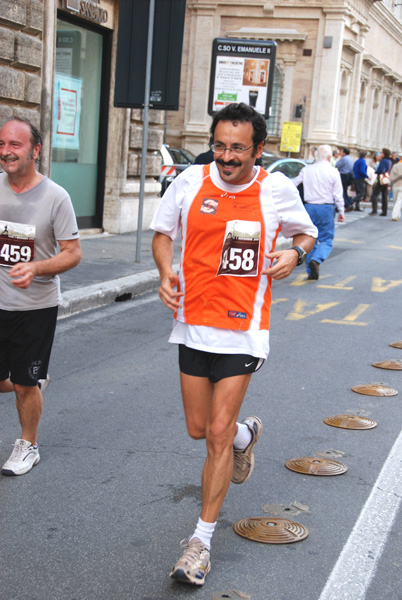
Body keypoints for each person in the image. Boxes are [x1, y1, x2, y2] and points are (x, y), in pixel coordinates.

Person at [151, 102, 317, 586]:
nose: (226, 158)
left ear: (258, 150)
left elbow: (307, 232)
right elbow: (163, 235)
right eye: (220, 146)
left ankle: (199, 543)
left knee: (216, 435)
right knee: (199, 429)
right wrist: (165, 272)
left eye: (237, 149)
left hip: (244, 327)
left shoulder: (275, 188)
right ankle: (249, 436)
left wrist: (295, 253)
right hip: (193, 323)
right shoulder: (190, 182)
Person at [0, 118, 81, 476]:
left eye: (15, 145)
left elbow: (73, 253)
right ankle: (29, 378)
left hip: (35, 306)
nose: (6, 151)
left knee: (22, 384)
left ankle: (28, 444)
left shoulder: (55, 196)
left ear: (35, 150)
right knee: (14, 380)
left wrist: (37, 268)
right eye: (2, 144)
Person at [293, 144, 344, 281]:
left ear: (315, 156)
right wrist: (341, 211)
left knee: (311, 238)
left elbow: (294, 184)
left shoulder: (307, 170)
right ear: (329, 157)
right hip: (326, 208)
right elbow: (338, 194)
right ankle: (317, 259)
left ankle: (311, 271)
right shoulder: (334, 172)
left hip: (309, 207)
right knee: (327, 239)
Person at [369, 148, 393, 216]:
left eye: (382, 153)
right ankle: (384, 211)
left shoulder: (384, 160)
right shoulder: (389, 161)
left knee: (374, 194)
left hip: (381, 179)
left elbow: (381, 169)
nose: (381, 154)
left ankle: (374, 210)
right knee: (384, 195)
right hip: (386, 179)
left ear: (384, 154)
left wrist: (377, 171)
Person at [391, 156, 402, 221]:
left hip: (395, 185)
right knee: (399, 201)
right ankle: (395, 215)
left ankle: (397, 215)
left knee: (396, 201)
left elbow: (391, 177)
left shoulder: (395, 166)